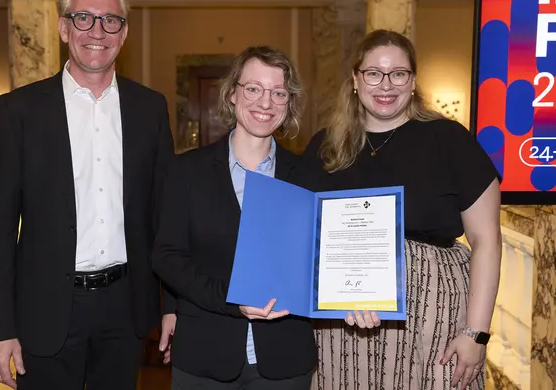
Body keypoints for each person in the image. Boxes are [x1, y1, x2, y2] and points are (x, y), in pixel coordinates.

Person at [0, 0, 174, 390]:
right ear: (65, 28)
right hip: (44, 308)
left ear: (124, 32)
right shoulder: (19, 112)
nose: (97, 31)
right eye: (84, 18)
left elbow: (164, 219)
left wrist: (170, 305)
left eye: (110, 20)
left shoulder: (150, 110)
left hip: (126, 309)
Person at [301, 29, 501, 390]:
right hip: (343, 323)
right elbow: (300, 235)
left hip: (434, 317)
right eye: (374, 73)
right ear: (355, 80)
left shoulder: (449, 140)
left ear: (413, 81)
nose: (386, 84)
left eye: (398, 73)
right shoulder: (325, 147)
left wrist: (477, 333)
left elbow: (487, 240)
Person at [152, 45, 318, 389]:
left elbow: (321, 260)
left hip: (284, 358)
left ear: (289, 103)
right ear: (232, 94)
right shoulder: (187, 171)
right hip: (205, 355)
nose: (265, 103)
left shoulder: (308, 177)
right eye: (253, 89)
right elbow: (167, 257)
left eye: (278, 93)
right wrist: (231, 299)